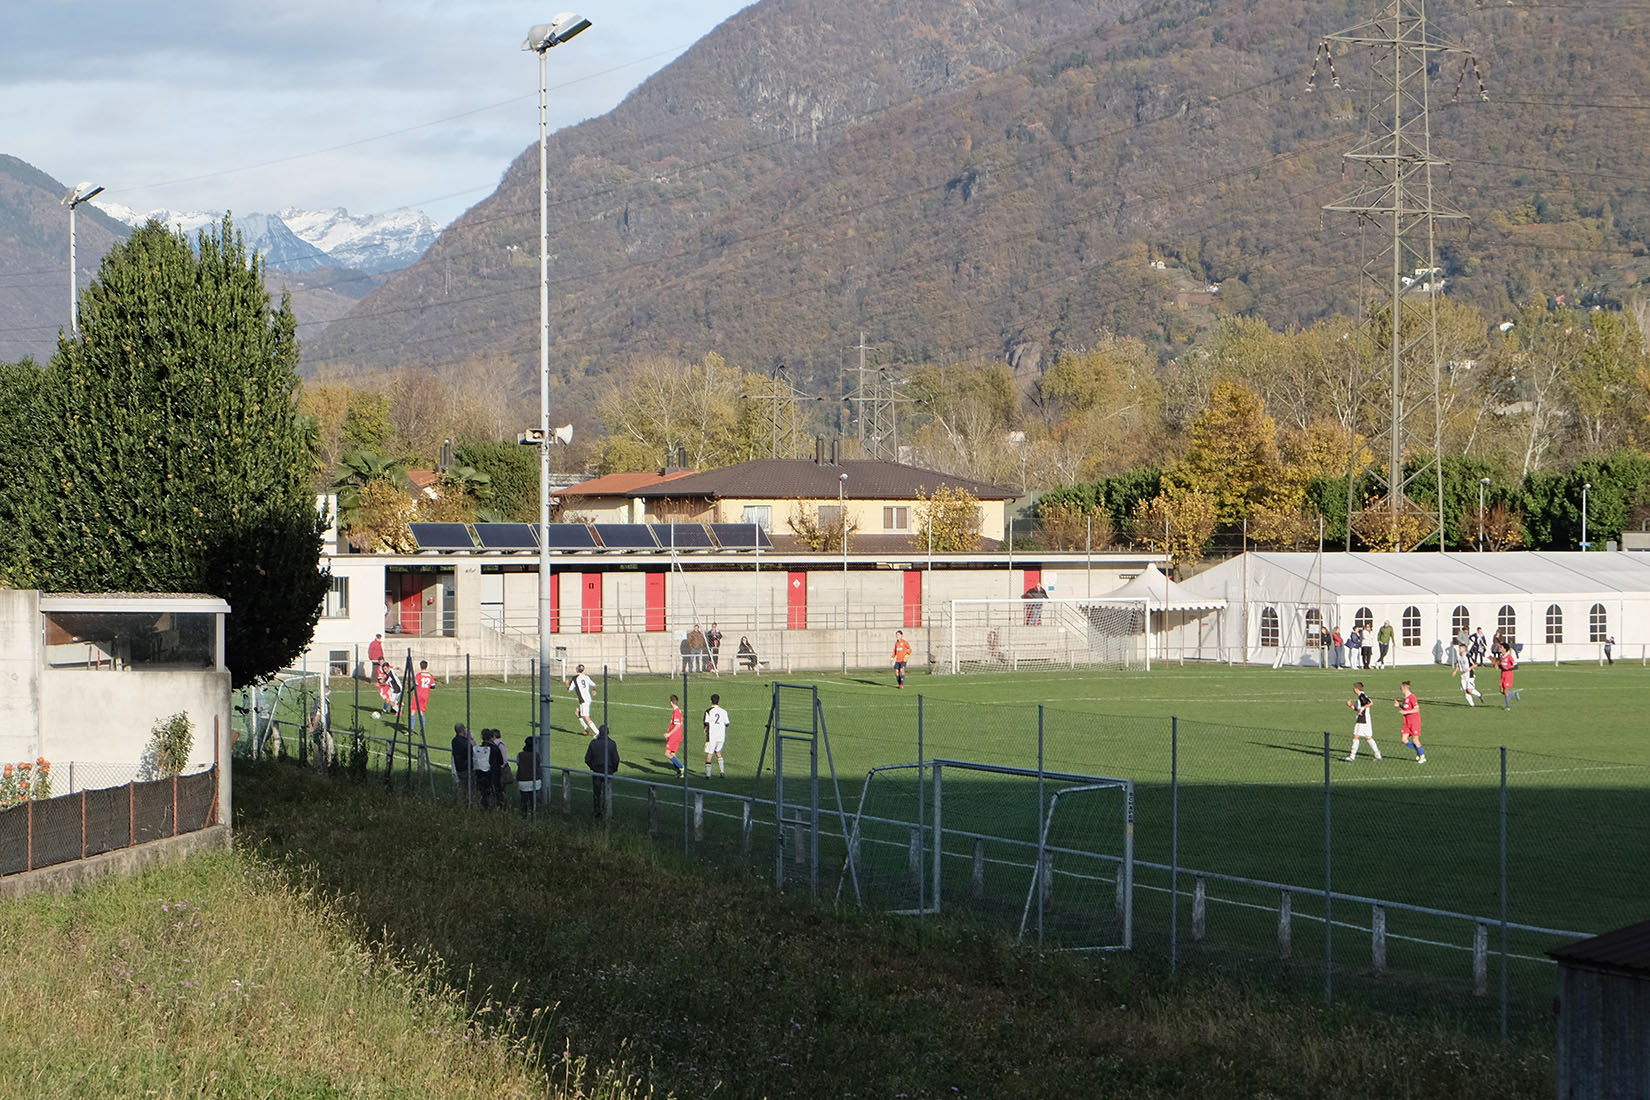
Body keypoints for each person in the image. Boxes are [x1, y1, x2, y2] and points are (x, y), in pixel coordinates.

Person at [584, 723, 620, 819]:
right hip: (608, 771)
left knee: (597, 792)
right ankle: (607, 812)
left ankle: (597, 811)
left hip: (596, 771)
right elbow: (616, 759)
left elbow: (587, 759)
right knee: (607, 791)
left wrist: (593, 767)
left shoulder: (593, 743)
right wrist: (614, 769)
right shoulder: (612, 744)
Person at [1343, 681, 1382, 761]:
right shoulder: (1360, 696)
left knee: (1356, 736)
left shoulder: (1361, 696)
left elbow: (1370, 703)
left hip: (1362, 720)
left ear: (1356, 689)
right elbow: (1358, 709)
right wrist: (1350, 705)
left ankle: (1352, 756)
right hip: (1366, 720)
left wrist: (1363, 709)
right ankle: (1377, 754)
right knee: (1368, 737)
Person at [565, 663, 598, 736]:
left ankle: (597, 732)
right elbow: (594, 684)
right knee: (577, 712)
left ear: (577, 670)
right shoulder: (586, 677)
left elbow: (569, 690)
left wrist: (566, 683)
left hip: (583, 701)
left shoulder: (575, 678)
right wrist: (594, 690)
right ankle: (586, 729)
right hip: (588, 699)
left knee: (586, 717)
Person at [1395, 681, 1425, 763]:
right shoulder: (1405, 699)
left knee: (1415, 740)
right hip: (1407, 722)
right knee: (1404, 739)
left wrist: (1405, 712)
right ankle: (1419, 751)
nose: (1400, 690)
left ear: (1405, 688)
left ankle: (1422, 756)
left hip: (1414, 722)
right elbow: (1406, 709)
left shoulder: (1412, 697)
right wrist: (1399, 706)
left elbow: (1417, 709)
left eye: (1401, 688)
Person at [704, 693, 729, 778]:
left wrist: (705, 729)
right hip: (721, 735)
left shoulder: (708, 711)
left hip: (712, 736)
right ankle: (722, 772)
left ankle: (708, 775)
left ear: (711, 700)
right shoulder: (724, 711)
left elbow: (706, 723)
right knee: (718, 751)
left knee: (709, 754)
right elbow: (727, 723)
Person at [450, 722, 475, 806]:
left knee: (462, 787)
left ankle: (462, 803)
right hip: (466, 767)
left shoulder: (454, 740)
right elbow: (471, 750)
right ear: (462, 730)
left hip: (459, 766)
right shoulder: (464, 742)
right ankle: (466, 804)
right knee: (468, 788)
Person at [517, 734, 540, 816]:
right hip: (535, 780)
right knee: (533, 799)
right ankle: (533, 815)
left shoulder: (520, 755)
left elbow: (518, 764)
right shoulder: (537, 755)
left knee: (524, 799)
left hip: (523, 780)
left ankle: (524, 815)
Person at [663, 693, 685, 778]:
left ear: (671, 702)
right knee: (673, 753)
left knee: (667, 753)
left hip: (675, 735)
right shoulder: (677, 710)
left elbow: (677, 725)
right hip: (677, 735)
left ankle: (681, 767)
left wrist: (669, 734)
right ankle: (680, 773)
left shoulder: (676, 711)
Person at [411, 660, 435, 735]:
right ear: (426, 666)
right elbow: (433, 686)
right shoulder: (430, 676)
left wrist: (410, 690)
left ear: (420, 666)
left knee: (413, 711)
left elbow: (415, 684)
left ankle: (411, 729)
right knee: (421, 712)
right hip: (425, 695)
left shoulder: (419, 675)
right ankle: (422, 729)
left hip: (418, 694)